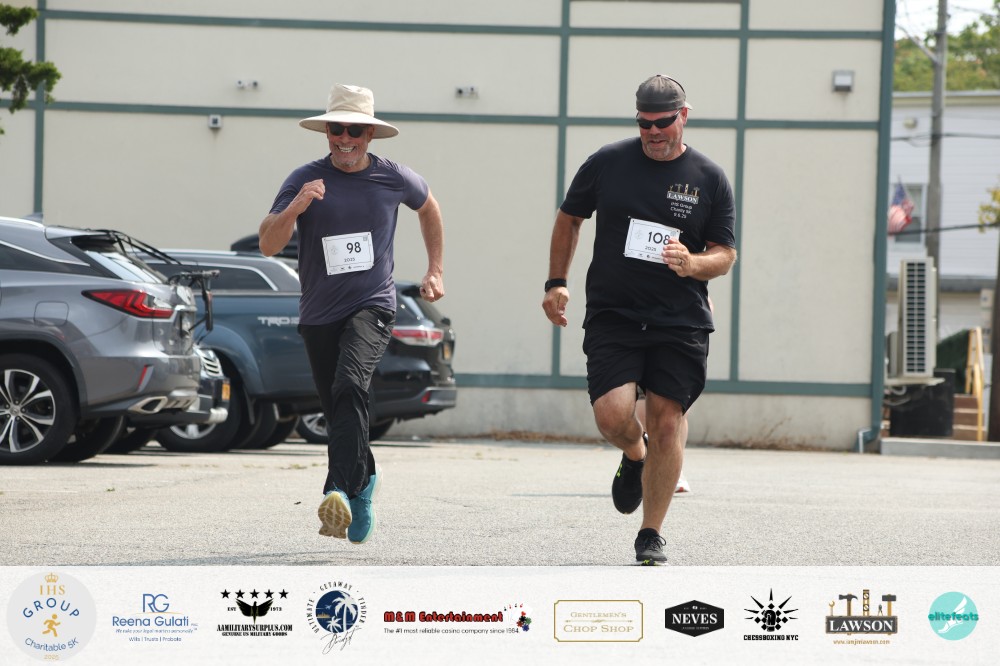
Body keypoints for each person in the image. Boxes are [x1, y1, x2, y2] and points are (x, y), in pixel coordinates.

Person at [541, 74, 737, 564]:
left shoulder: (709, 177)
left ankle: (651, 534)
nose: (652, 132)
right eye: (644, 123)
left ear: (683, 116)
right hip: (616, 314)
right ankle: (635, 453)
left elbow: (726, 254)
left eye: (662, 122)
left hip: (680, 320)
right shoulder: (607, 162)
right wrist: (556, 281)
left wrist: (693, 263)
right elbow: (569, 219)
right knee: (612, 415)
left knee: (668, 423)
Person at [259, 83, 444, 545]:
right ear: (326, 132)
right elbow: (268, 243)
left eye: (355, 130)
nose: (345, 138)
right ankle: (364, 489)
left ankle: (336, 489)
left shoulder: (393, 177)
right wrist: (298, 205)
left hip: (372, 305)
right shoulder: (304, 178)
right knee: (340, 408)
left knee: (349, 385)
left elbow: (429, 207)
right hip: (319, 313)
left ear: (370, 134)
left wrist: (435, 269)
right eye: (337, 129)